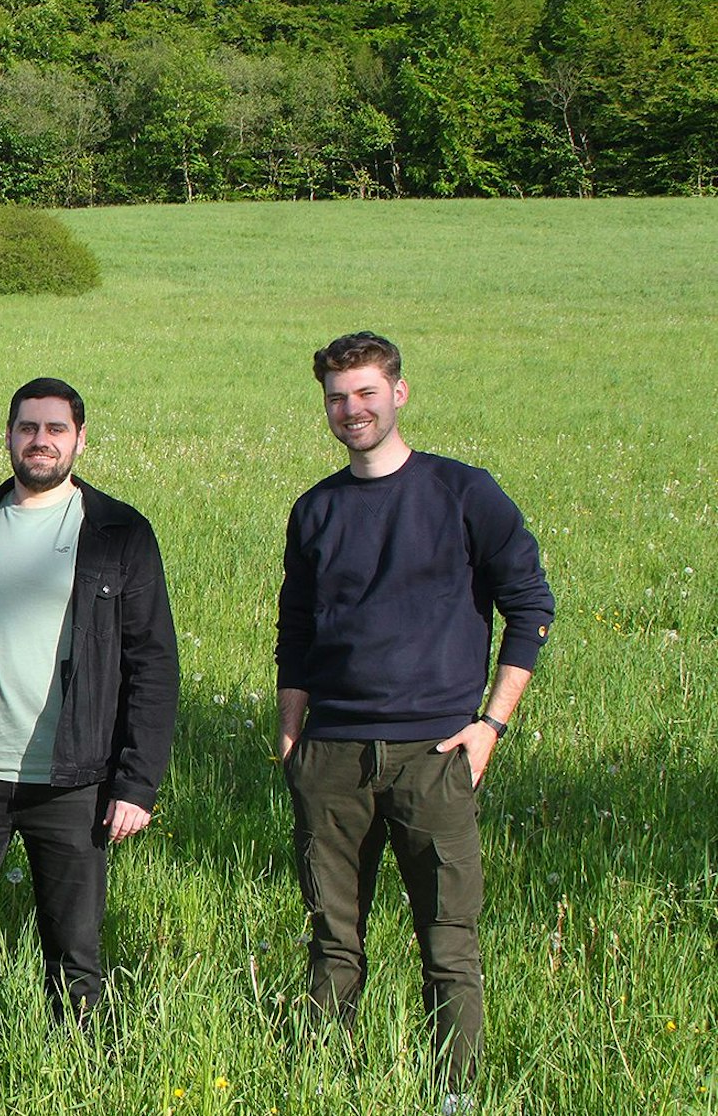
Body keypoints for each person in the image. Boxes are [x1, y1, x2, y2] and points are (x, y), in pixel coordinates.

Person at [276, 332, 553, 1098]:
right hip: (330, 754)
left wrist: (489, 725)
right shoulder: (317, 508)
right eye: (337, 397)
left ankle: (454, 1094)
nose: (351, 409)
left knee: (448, 943)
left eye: (365, 392)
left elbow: (529, 604)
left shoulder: (463, 494)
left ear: (398, 393)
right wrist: (290, 725)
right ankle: (322, 1084)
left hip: (435, 753)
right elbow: (295, 626)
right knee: (333, 939)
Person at [0, 377, 178, 1055]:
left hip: (74, 778)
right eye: (27, 427)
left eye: (55, 429)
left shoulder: (119, 531)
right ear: (8, 436)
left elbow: (153, 665)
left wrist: (136, 784)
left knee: (75, 952)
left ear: (79, 438)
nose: (40, 441)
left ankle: (76, 1073)